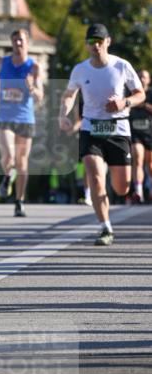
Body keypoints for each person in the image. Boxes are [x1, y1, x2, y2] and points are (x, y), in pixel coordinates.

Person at [59, 23, 144, 246]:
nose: (95, 46)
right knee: (95, 176)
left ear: (108, 42)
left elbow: (140, 94)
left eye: (99, 41)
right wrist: (63, 114)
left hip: (118, 129)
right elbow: (69, 94)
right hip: (91, 129)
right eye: (91, 42)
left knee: (122, 188)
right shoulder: (80, 69)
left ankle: (115, 191)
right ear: (87, 45)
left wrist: (124, 102)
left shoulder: (121, 66)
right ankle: (105, 227)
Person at [0, 29, 43, 217]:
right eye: (15, 40)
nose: (18, 44)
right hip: (4, 117)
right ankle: (7, 177)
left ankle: (19, 201)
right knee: (9, 156)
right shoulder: (1, 62)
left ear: (28, 43)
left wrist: (31, 87)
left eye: (21, 40)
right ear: (11, 43)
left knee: (22, 163)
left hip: (25, 119)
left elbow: (40, 96)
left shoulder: (34, 67)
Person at [129, 68, 152, 203]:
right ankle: (138, 192)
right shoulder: (131, 94)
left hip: (149, 132)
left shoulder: (151, 94)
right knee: (137, 160)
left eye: (144, 77)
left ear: (149, 80)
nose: (142, 79)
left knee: (150, 164)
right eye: (139, 77)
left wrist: (143, 105)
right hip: (135, 133)